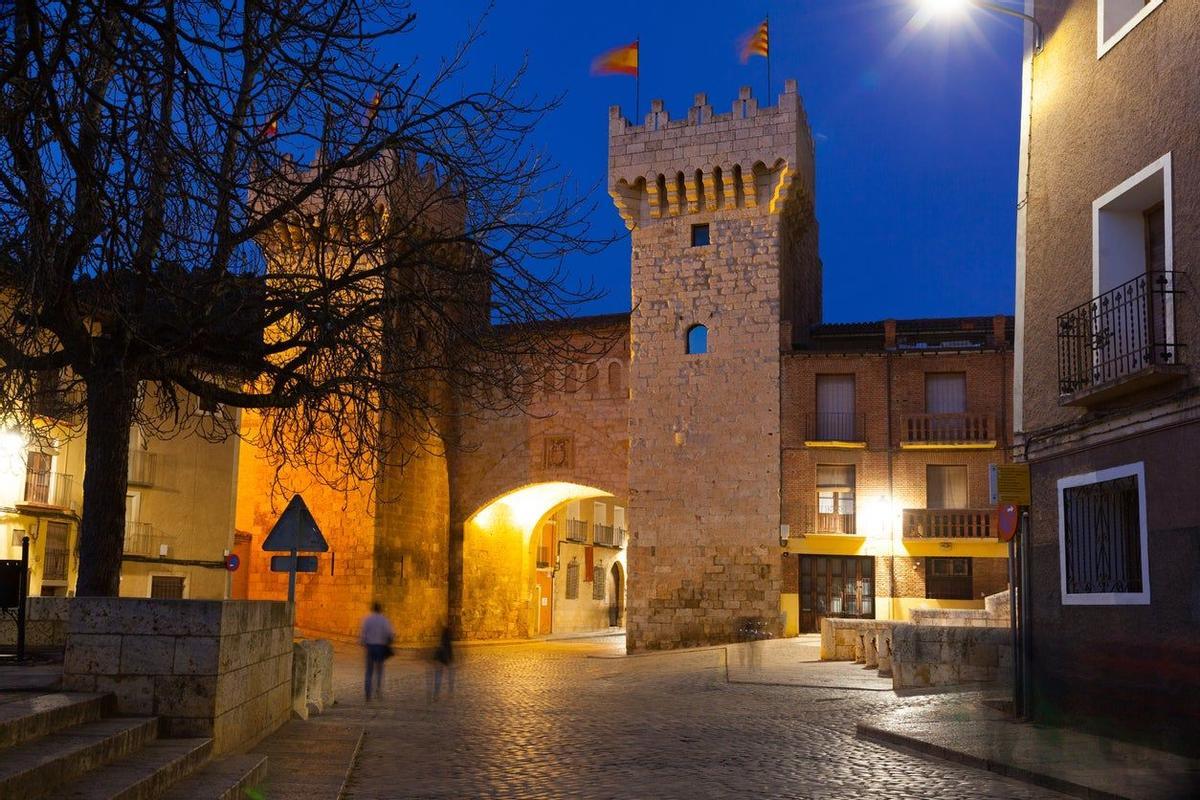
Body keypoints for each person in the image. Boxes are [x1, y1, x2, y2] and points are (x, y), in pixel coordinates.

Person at [360, 602, 394, 701]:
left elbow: (363, 634)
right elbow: (390, 634)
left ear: (373, 609)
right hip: (380, 647)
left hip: (370, 646)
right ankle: (378, 691)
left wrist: (363, 643)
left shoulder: (368, 620)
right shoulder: (384, 620)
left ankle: (368, 693)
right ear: (380, 609)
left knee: (369, 671)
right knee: (379, 671)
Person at [430, 624, 454, 702]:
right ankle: (450, 693)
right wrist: (450, 660)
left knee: (438, 677)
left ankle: (436, 694)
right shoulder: (448, 643)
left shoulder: (441, 642)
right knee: (450, 676)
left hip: (440, 660)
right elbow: (450, 652)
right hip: (445, 660)